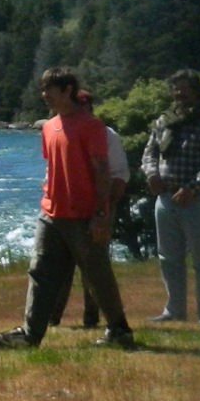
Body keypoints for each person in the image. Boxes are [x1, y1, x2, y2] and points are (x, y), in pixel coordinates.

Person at [0, 67, 135, 349]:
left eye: (49, 89)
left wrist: (100, 214)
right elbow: (53, 167)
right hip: (51, 213)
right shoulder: (47, 127)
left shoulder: (91, 126)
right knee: (40, 271)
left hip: (83, 215)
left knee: (97, 274)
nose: (44, 95)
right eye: (42, 89)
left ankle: (119, 329)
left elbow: (102, 172)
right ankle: (30, 334)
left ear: (67, 90)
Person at [140, 69, 200, 324]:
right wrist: (151, 174)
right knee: (168, 258)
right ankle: (174, 310)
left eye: (184, 88)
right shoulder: (164, 121)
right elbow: (150, 153)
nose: (179, 93)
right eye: (175, 88)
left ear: (196, 91)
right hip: (165, 199)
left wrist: (192, 188)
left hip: (196, 200)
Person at [58, 90, 129, 330]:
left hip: (98, 208)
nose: (81, 109)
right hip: (67, 209)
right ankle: (52, 316)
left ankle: (92, 318)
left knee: (93, 265)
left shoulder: (108, 135)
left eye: (84, 105)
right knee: (61, 266)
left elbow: (120, 175)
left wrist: (105, 208)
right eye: (77, 104)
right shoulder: (60, 130)